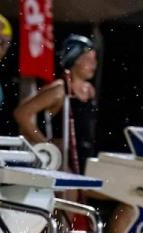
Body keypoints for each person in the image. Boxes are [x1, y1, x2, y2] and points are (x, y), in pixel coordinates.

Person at [14, 35, 98, 173]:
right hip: (64, 161)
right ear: (74, 59)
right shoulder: (59, 89)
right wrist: (47, 145)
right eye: (88, 59)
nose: (93, 64)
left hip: (85, 158)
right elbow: (22, 114)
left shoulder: (89, 90)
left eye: (95, 59)